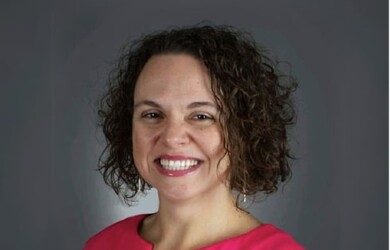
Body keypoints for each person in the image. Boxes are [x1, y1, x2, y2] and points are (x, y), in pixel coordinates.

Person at [84, 24, 304, 250]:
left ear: (245, 129)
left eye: (200, 116)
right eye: (152, 114)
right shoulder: (102, 245)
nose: (171, 137)